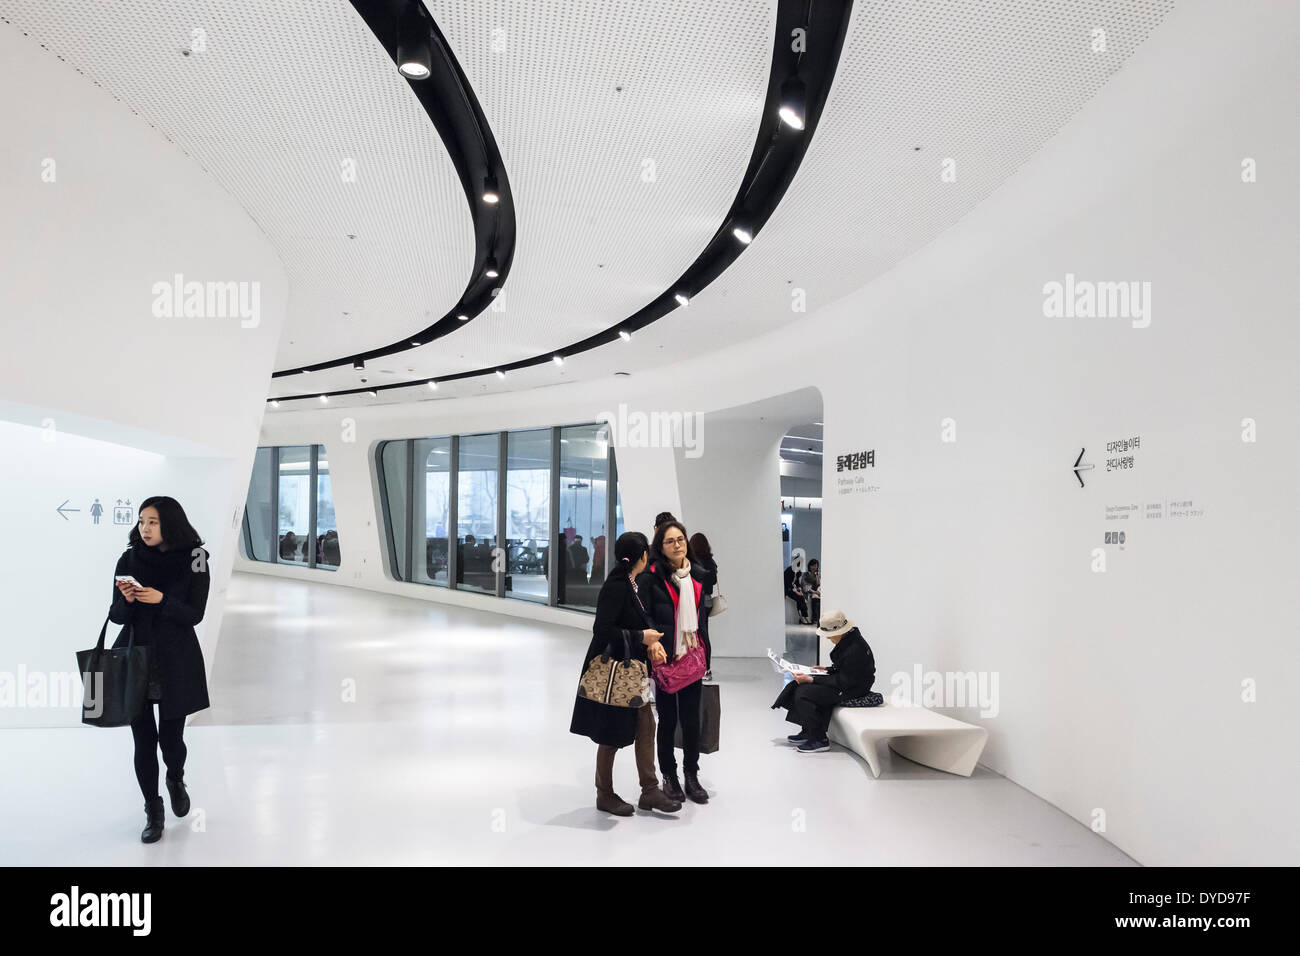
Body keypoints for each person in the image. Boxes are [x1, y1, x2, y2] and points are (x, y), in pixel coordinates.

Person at [109, 496, 211, 843]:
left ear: (170, 523)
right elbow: (116, 616)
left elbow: (195, 613)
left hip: (174, 658)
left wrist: (162, 600)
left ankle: (176, 777)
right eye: (141, 521)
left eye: (152, 521)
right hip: (136, 655)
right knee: (143, 740)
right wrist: (127, 600)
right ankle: (153, 810)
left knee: (171, 739)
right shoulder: (129, 557)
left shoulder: (195, 559)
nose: (145, 528)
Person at [570, 532, 682, 815]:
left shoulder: (630, 584)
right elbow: (602, 629)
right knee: (611, 735)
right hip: (616, 675)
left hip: (632, 673)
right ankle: (604, 794)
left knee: (646, 727)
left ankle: (650, 791)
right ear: (642, 556)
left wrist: (650, 640)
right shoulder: (618, 587)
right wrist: (640, 636)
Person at [643, 520, 711, 804]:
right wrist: (653, 642)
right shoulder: (652, 577)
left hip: (692, 654)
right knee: (668, 719)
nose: (677, 544)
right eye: (670, 541)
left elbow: (702, 619)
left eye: (680, 539)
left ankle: (691, 774)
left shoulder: (698, 575)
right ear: (660, 546)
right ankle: (669, 776)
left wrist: (707, 652)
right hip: (667, 658)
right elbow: (645, 614)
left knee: (692, 719)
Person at [771, 610, 876, 753]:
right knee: (797, 685)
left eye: (829, 635)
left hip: (854, 689)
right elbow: (846, 670)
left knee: (804, 693)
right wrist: (826, 669)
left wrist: (812, 679)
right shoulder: (850, 639)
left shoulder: (854, 648)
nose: (828, 639)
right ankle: (808, 730)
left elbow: (845, 680)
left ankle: (819, 739)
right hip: (848, 682)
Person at [688, 531, 718, 676]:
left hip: (695, 601)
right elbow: (713, 581)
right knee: (704, 633)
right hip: (707, 600)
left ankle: (701, 667)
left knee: (696, 634)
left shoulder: (692, 562)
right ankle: (706, 667)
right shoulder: (710, 561)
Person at [803, 559, 821, 624]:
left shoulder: (818, 574)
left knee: (817, 599)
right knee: (815, 599)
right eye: (812, 566)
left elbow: (819, 585)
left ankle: (818, 618)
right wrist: (814, 592)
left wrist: (818, 577)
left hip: (817, 592)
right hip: (809, 592)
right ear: (809, 566)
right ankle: (815, 618)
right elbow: (805, 586)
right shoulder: (806, 574)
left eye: (816, 566)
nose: (814, 567)